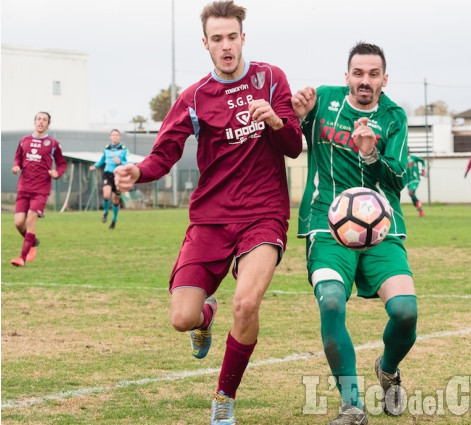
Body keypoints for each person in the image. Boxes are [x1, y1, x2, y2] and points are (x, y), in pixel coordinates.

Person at [114, 2, 302, 424]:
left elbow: (293, 145)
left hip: (263, 214)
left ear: (243, 37)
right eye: (217, 39)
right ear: (206, 44)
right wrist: (137, 170)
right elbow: (164, 155)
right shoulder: (195, 97)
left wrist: (275, 119)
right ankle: (206, 315)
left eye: (232, 37)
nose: (226, 46)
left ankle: (224, 397)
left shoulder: (271, 79)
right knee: (182, 318)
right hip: (211, 218)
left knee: (246, 303)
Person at [291, 42, 417, 425]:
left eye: (373, 74)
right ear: (346, 76)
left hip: (382, 228)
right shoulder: (322, 100)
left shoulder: (393, 116)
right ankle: (351, 404)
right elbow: (288, 142)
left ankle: (389, 369)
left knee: (404, 312)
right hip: (325, 225)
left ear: (384, 79)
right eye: (358, 73)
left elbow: (399, 180)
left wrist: (370, 154)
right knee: (331, 302)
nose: (365, 80)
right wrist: (296, 117)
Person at [11, 112, 67, 267]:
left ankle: (22, 257)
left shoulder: (53, 144)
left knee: (31, 219)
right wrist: (16, 166)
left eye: (44, 120)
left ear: (48, 124)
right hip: (24, 187)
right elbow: (18, 158)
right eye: (39, 119)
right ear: (34, 122)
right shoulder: (24, 141)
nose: (41, 122)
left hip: (41, 189)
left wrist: (57, 173)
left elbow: (62, 164)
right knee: (18, 223)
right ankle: (33, 242)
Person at [90, 129, 128, 229]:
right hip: (108, 173)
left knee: (115, 200)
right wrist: (95, 166)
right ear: (110, 137)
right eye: (113, 135)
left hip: (119, 175)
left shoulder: (124, 149)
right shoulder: (106, 148)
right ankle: (106, 212)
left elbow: (128, 163)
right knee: (106, 195)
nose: (115, 137)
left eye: (117, 135)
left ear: (119, 137)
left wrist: (120, 162)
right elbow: (102, 160)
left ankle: (114, 220)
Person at [406, 151, 426, 217]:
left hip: (415, 179)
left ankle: (418, 203)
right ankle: (420, 210)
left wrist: (423, 170)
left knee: (410, 193)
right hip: (408, 181)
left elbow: (422, 160)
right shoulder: (402, 159)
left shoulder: (413, 158)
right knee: (411, 195)